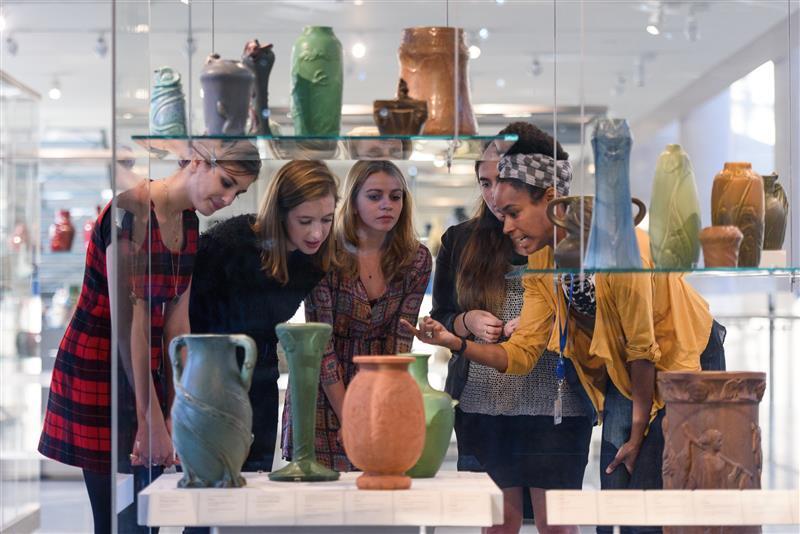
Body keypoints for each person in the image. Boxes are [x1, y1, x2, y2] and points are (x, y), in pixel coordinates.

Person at [404, 123, 725, 534]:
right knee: (620, 502)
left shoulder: (618, 249)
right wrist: (456, 341)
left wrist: (638, 430)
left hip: (684, 353)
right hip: (628, 372)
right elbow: (521, 354)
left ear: (553, 202)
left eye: (514, 212)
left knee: (660, 500)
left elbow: (644, 347)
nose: (505, 227)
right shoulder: (541, 257)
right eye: (500, 212)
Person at [39, 140, 261, 533]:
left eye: (237, 192)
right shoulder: (131, 210)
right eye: (226, 183)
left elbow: (178, 321)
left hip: (147, 361)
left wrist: (179, 406)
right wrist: (151, 417)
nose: (228, 199)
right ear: (196, 160)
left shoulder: (189, 221)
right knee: (116, 520)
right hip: (101, 364)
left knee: (150, 511)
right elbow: (129, 322)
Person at [430, 123, 593, 534]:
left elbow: (592, 313)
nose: (492, 194)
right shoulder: (460, 239)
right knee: (497, 524)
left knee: (557, 524)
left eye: (501, 181)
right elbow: (442, 313)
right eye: (484, 182)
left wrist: (545, 321)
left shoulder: (558, 239)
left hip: (557, 398)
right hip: (485, 396)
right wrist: (466, 321)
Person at [189, 160, 339, 473]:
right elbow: (187, 322)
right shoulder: (230, 245)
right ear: (279, 213)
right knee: (207, 497)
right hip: (211, 381)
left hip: (262, 381)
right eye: (305, 220)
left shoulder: (314, 260)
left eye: (326, 219)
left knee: (249, 491)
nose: (317, 232)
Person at [281, 160, 432, 471]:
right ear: (352, 201)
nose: (387, 205)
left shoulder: (415, 259)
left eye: (396, 196)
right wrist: (351, 413)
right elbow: (320, 343)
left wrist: (378, 407)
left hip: (380, 387)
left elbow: (400, 342)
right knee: (322, 500)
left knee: (379, 493)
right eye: (374, 196)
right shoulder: (323, 252)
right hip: (325, 389)